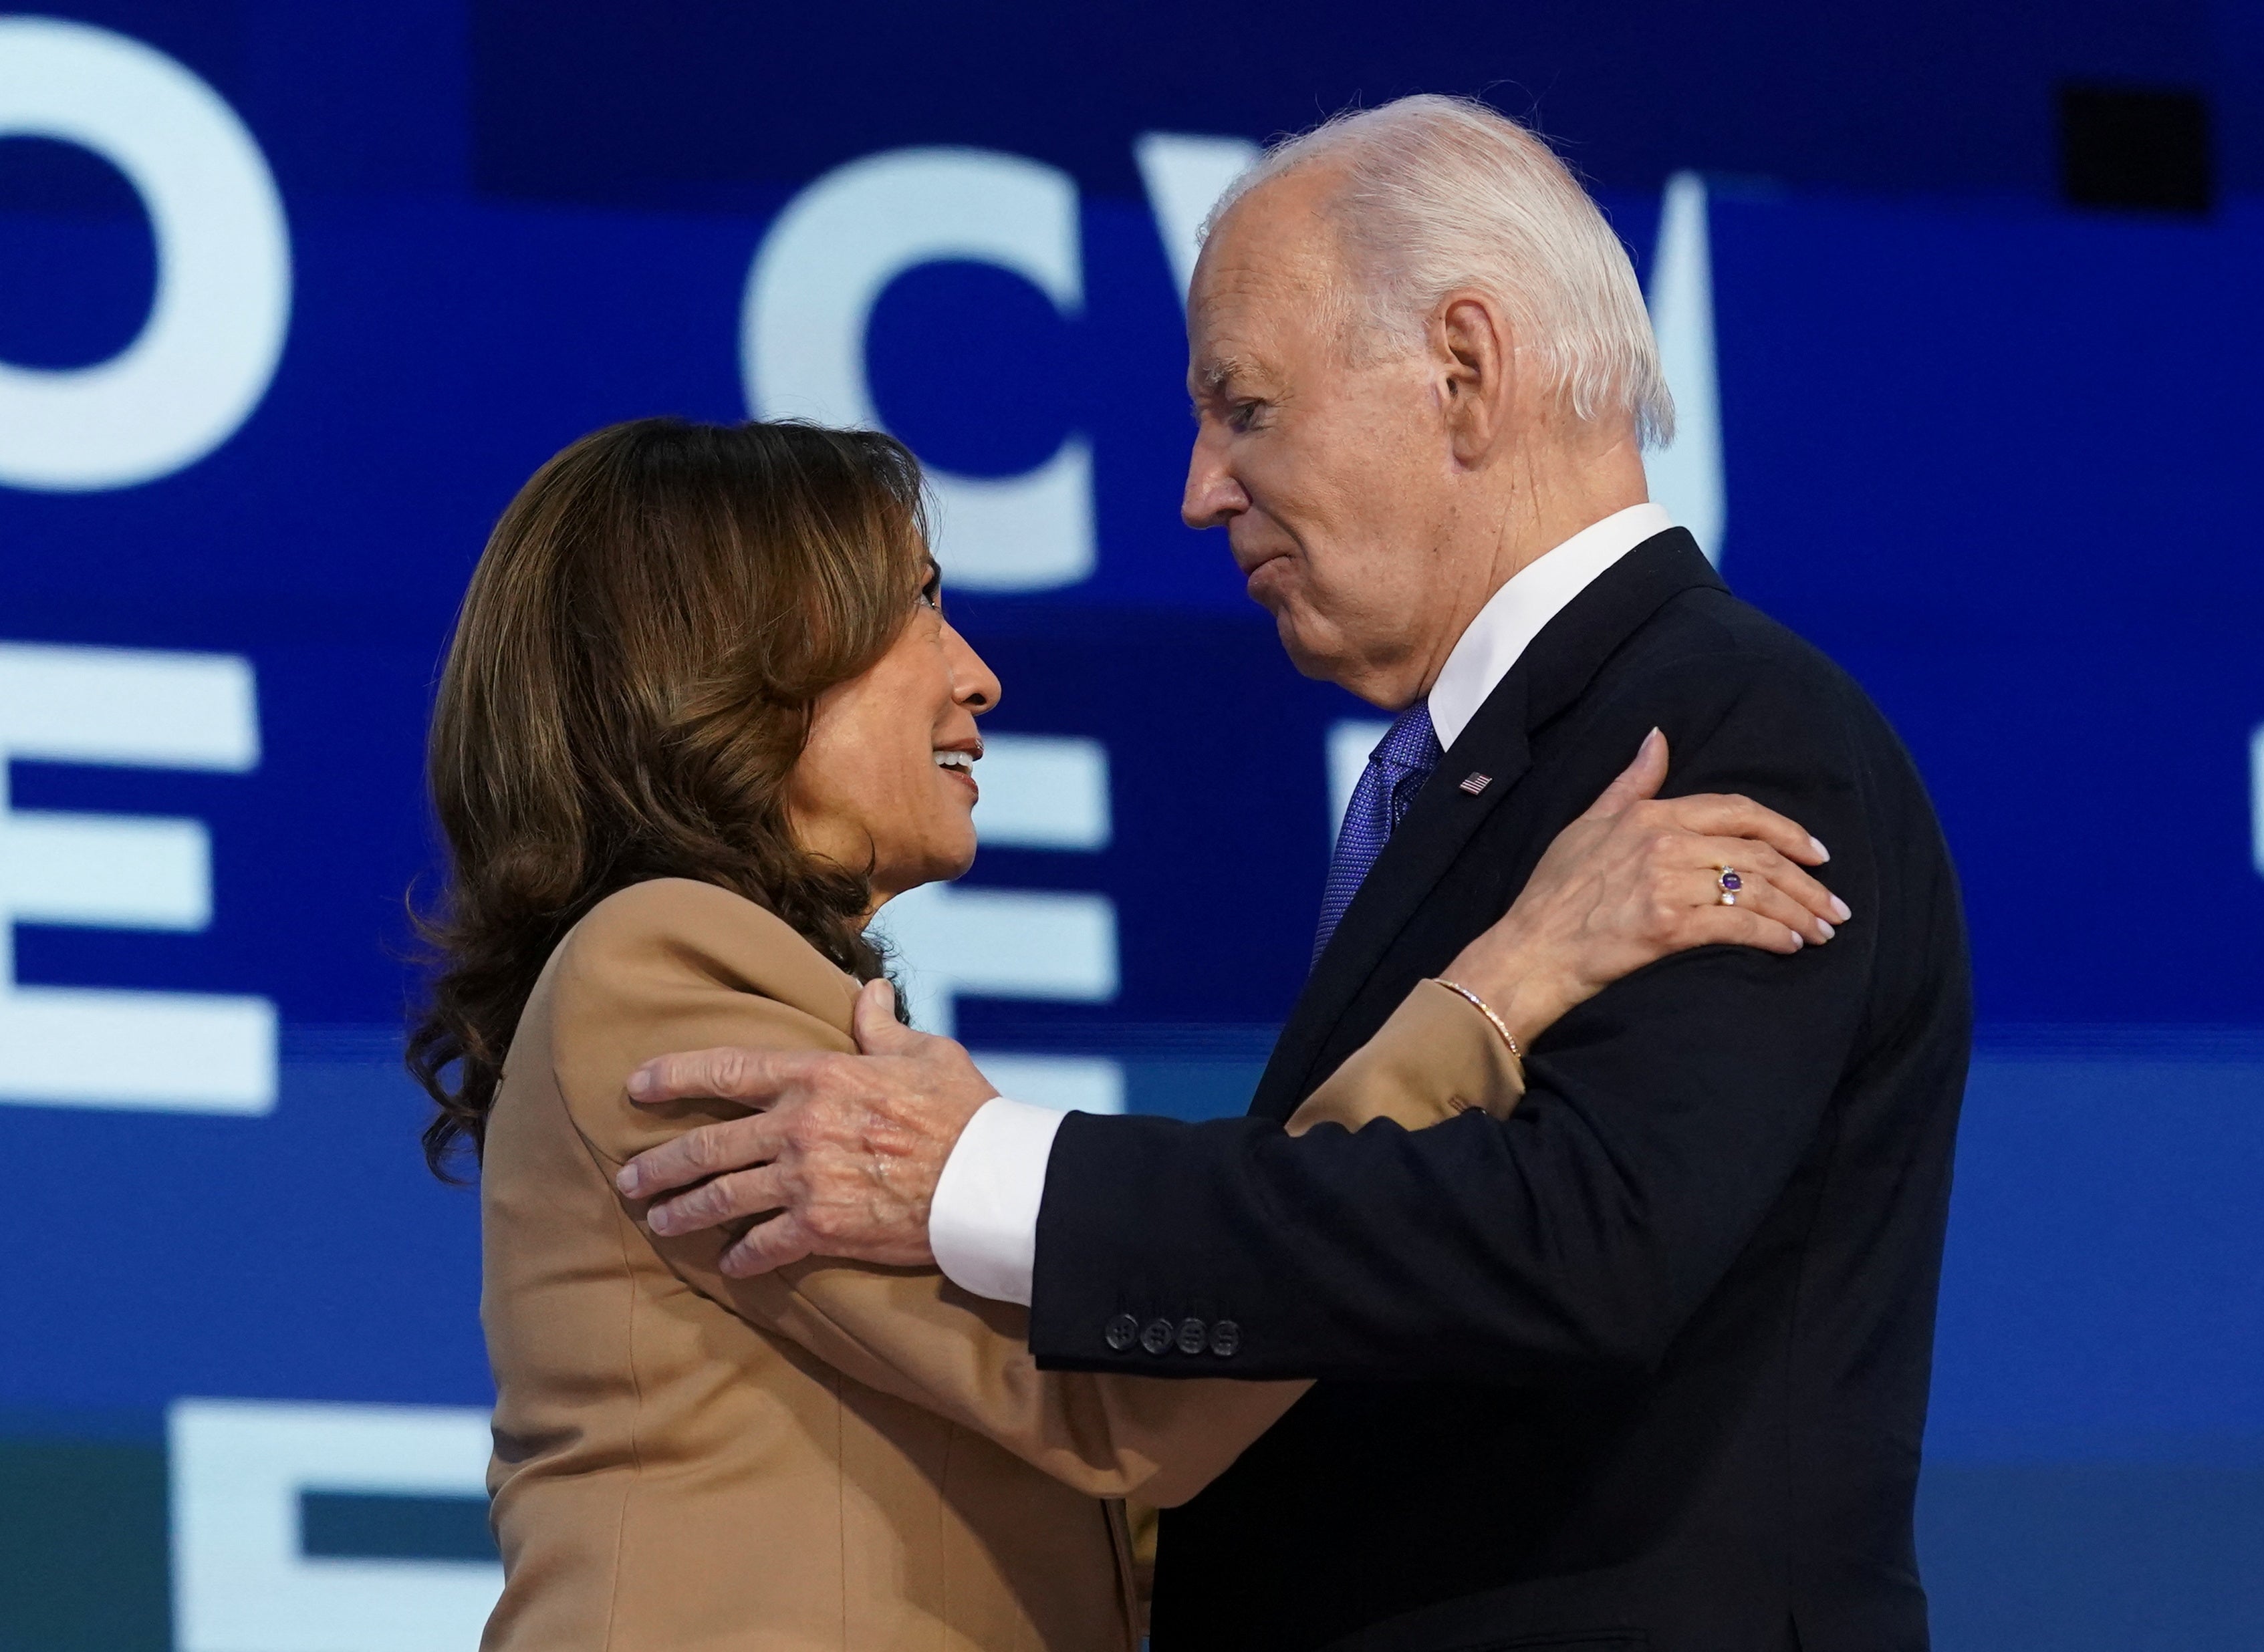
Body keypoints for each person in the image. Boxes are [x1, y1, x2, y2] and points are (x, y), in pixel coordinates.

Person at [621, 95, 1973, 1652]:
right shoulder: (1511, 760)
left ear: (1462, 370)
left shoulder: (1715, 734)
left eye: (1245, 409)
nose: (1199, 490)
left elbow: (1593, 1239)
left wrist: (985, 1175)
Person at [410, 415, 1847, 1648]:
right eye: (909, 607)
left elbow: (1076, 1475)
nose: (972, 672)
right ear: (725, 659)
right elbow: (1125, 1406)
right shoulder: (662, 959)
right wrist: (1506, 982)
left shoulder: (733, 979)